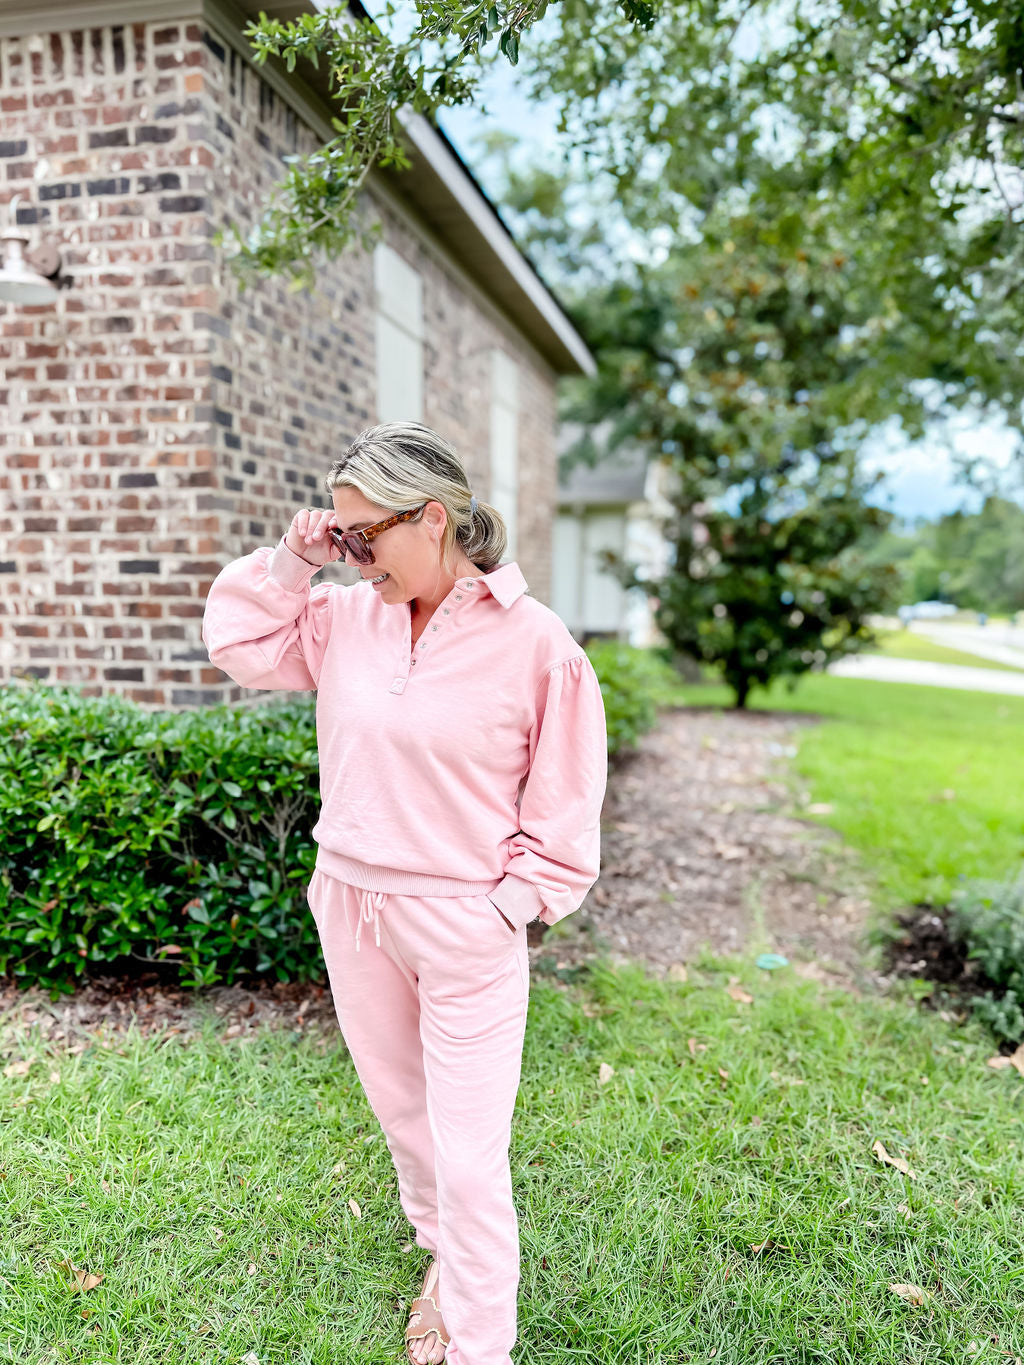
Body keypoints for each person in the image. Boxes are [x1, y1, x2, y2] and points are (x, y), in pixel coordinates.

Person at [200, 421, 608, 1365]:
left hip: (464, 924)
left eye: (363, 537)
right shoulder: (344, 620)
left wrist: (505, 911)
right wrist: (298, 559)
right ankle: (441, 1260)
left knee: (470, 1158)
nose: (354, 556)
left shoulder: (537, 642)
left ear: (432, 519)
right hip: (350, 903)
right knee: (405, 1117)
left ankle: (478, 1344)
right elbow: (236, 639)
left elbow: (568, 805)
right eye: (340, 537)